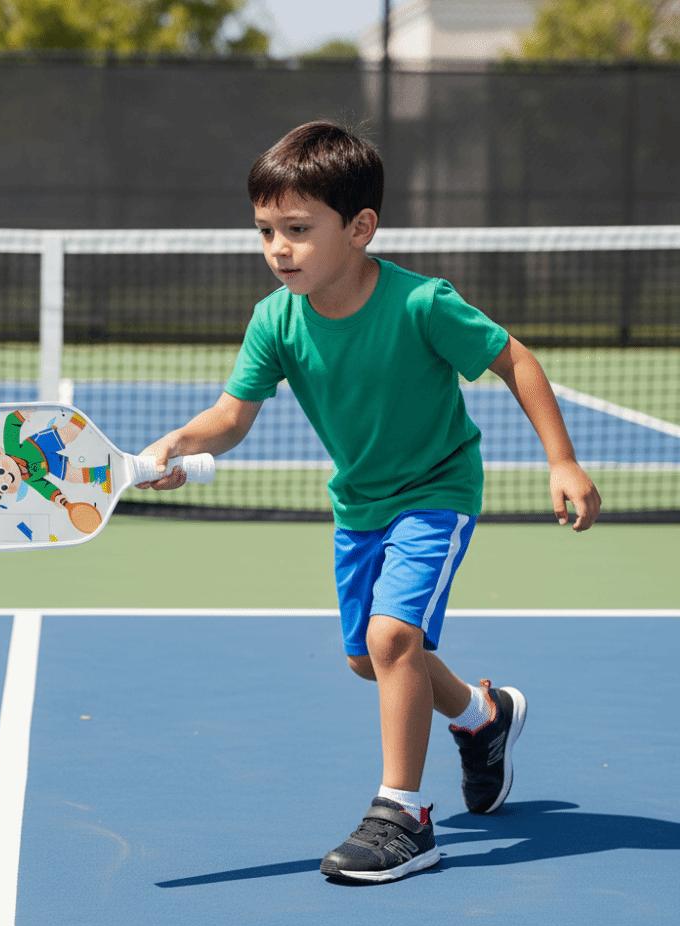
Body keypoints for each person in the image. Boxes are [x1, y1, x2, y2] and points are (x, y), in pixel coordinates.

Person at [137, 121, 601, 883]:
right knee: (368, 659)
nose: (278, 248)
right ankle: (483, 718)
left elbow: (514, 359)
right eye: (265, 231)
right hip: (359, 502)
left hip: (437, 489)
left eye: (297, 229)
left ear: (360, 228)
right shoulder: (275, 319)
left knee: (392, 640)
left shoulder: (422, 303)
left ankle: (403, 817)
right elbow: (231, 417)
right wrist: (177, 445)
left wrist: (563, 461)